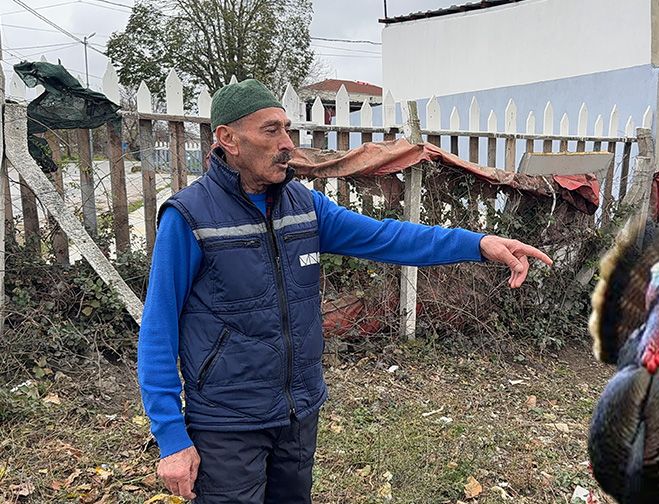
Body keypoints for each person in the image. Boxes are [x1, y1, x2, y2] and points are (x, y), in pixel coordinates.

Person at [137, 78, 553, 504]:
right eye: (271, 130)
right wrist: (171, 437)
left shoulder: (303, 207)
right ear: (228, 139)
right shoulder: (189, 217)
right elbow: (158, 329)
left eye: (287, 128)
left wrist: (478, 244)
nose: (287, 143)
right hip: (227, 423)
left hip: (298, 412)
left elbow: (389, 237)